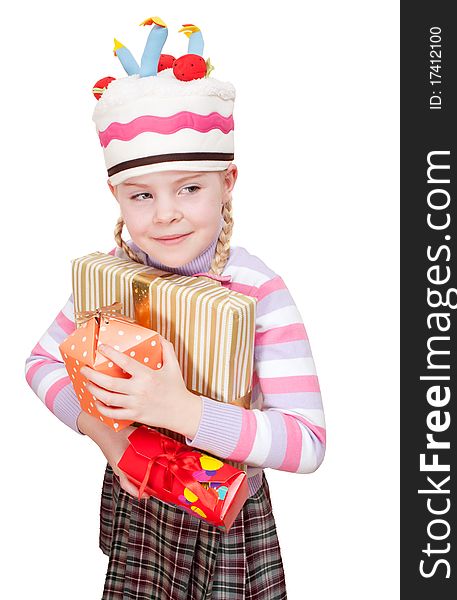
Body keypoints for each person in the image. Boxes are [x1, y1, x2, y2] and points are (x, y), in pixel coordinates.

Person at [24, 17, 326, 600]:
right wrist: (107, 438)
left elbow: (307, 442)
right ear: (117, 196)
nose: (164, 214)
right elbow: (40, 363)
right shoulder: (111, 273)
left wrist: (182, 410)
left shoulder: (257, 291)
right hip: (139, 492)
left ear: (227, 181)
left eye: (189, 188)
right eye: (142, 194)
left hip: (223, 516)